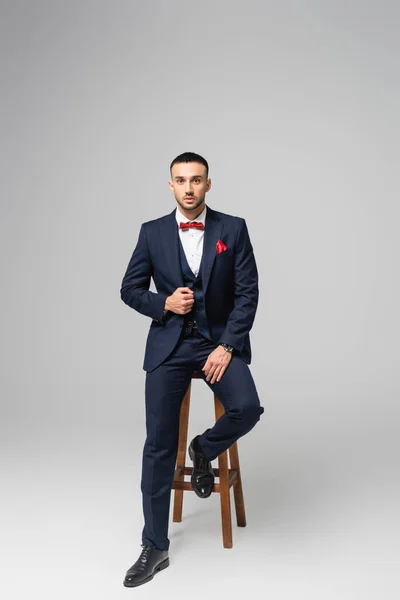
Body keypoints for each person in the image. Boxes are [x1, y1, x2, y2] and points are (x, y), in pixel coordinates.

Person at [120, 151, 264, 587]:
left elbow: (248, 293)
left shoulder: (232, 228)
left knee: (248, 407)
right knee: (158, 445)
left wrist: (226, 345)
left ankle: (203, 448)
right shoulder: (152, 233)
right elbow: (129, 289)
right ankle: (155, 545)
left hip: (217, 342)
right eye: (180, 180)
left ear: (208, 184)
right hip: (170, 345)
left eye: (196, 180)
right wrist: (162, 303)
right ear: (170, 185)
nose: (188, 188)